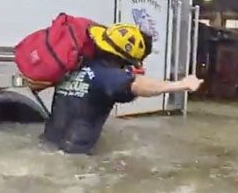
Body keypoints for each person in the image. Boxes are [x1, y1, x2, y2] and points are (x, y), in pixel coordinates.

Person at [43, 23, 202, 154]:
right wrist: (181, 84)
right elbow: (138, 85)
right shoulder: (108, 76)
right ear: (125, 60)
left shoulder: (76, 66)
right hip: (74, 156)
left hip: (47, 143)